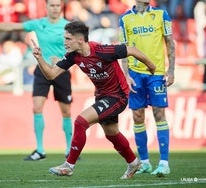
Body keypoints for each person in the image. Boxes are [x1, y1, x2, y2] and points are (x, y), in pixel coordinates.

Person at [28, 20, 156, 178]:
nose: (64, 42)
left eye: (68, 39)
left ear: (80, 40)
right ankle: (133, 162)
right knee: (112, 133)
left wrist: (151, 67)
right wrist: (39, 58)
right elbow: (52, 74)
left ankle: (69, 166)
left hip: (118, 96)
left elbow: (132, 50)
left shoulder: (102, 50)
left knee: (80, 122)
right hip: (102, 96)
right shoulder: (72, 57)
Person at [0, 0, 73, 160]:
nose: (55, 8)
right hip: (42, 69)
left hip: (61, 71)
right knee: (36, 108)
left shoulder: (68, 27)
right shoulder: (38, 23)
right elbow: (11, 26)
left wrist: (66, 59)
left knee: (66, 111)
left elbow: (78, 46)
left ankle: (70, 149)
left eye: (58, 5)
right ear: (47, 7)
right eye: (52, 5)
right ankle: (40, 150)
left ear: (61, 7)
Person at [119, 0, 175, 176]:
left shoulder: (161, 14)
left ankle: (164, 163)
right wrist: (126, 75)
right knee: (137, 116)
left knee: (159, 114)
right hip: (135, 74)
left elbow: (169, 42)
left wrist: (171, 69)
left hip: (156, 73)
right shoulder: (125, 19)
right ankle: (144, 162)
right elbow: (124, 49)